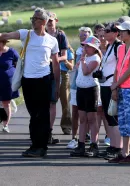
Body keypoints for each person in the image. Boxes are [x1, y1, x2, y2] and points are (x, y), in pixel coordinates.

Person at [0, 7, 60, 158]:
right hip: (28, 80)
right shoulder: (26, 34)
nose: (32, 21)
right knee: (33, 113)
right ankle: (34, 145)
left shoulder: (52, 40)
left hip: (44, 80)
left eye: (36, 19)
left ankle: (42, 146)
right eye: (32, 18)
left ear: (44, 22)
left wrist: (56, 86)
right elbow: (7, 35)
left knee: (43, 114)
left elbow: (56, 64)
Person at [109, 21, 130, 164]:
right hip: (121, 87)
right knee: (122, 121)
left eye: (123, 31)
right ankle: (124, 153)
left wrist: (116, 84)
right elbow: (118, 68)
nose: (120, 33)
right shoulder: (121, 48)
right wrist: (115, 86)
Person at [70, 36, 102, 157]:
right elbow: (77, 67)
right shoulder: (86, 57)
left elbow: (85, 71)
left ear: (94, 48)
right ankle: (81, 144)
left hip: (91, 90)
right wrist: (82, 59)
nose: (86, 48)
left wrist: (82, 60)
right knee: (82, 119)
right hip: (81, 90)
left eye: (88, 46)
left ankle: (94, 144)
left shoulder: (95, 58)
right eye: (85, 46)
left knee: (92, 119)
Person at [67, 26, 92, 149]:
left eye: (85, 35)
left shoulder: (94, 53)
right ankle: (74, 138)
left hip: (90, 86)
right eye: (81, 36)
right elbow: (76, 67)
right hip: (76, 85)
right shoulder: (78, 51)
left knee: (90, 113)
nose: (83, 38)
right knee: (76, 112)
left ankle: (89, 137)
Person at [99, 22, 122, 159]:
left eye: (108, 31)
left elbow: (120, 68)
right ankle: (113, 146)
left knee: (114, 117)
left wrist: (115, 87)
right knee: (109, 116)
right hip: (105, 84)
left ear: (115, 33)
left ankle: (118, 148)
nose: (105, 33)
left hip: (112, 85)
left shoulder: (118, 46)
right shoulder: (109, 46)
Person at [46, 12, 69, 143]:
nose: (49, 22)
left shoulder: (60, 36)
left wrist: (52, 60)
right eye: (47, 20)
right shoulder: (39, 34)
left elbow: (65, 56)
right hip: (40, 72)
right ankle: (40, 132)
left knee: (53, 102)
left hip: (54, 70)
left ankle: (49, 132)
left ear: (56, 21)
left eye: (51, 20)